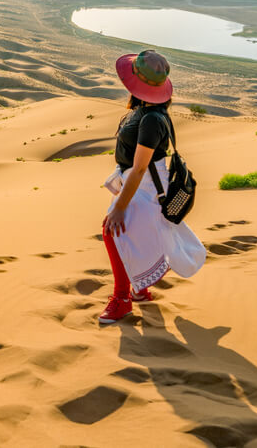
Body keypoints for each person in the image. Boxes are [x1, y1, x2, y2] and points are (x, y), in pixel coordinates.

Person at [99, 50, 206, 324]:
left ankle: (122, 299)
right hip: (141, 182)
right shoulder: (147, 111)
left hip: (144, 184)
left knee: (113, 230)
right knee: (129, 235)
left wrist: (121, 206)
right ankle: (140, 290)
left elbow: (139, 167)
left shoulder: (151, 120)